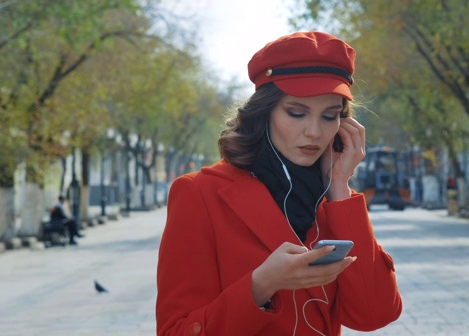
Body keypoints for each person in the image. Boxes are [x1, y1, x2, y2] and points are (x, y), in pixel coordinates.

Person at [156, 31, 403, 335]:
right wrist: (262, 285)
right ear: (265, 112)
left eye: (329, 116)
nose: (314, 131)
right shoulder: (200, 194)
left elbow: (373, 315)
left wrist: (340, 186)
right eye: (296, 113)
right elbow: (176, 330)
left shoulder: (334, 201)